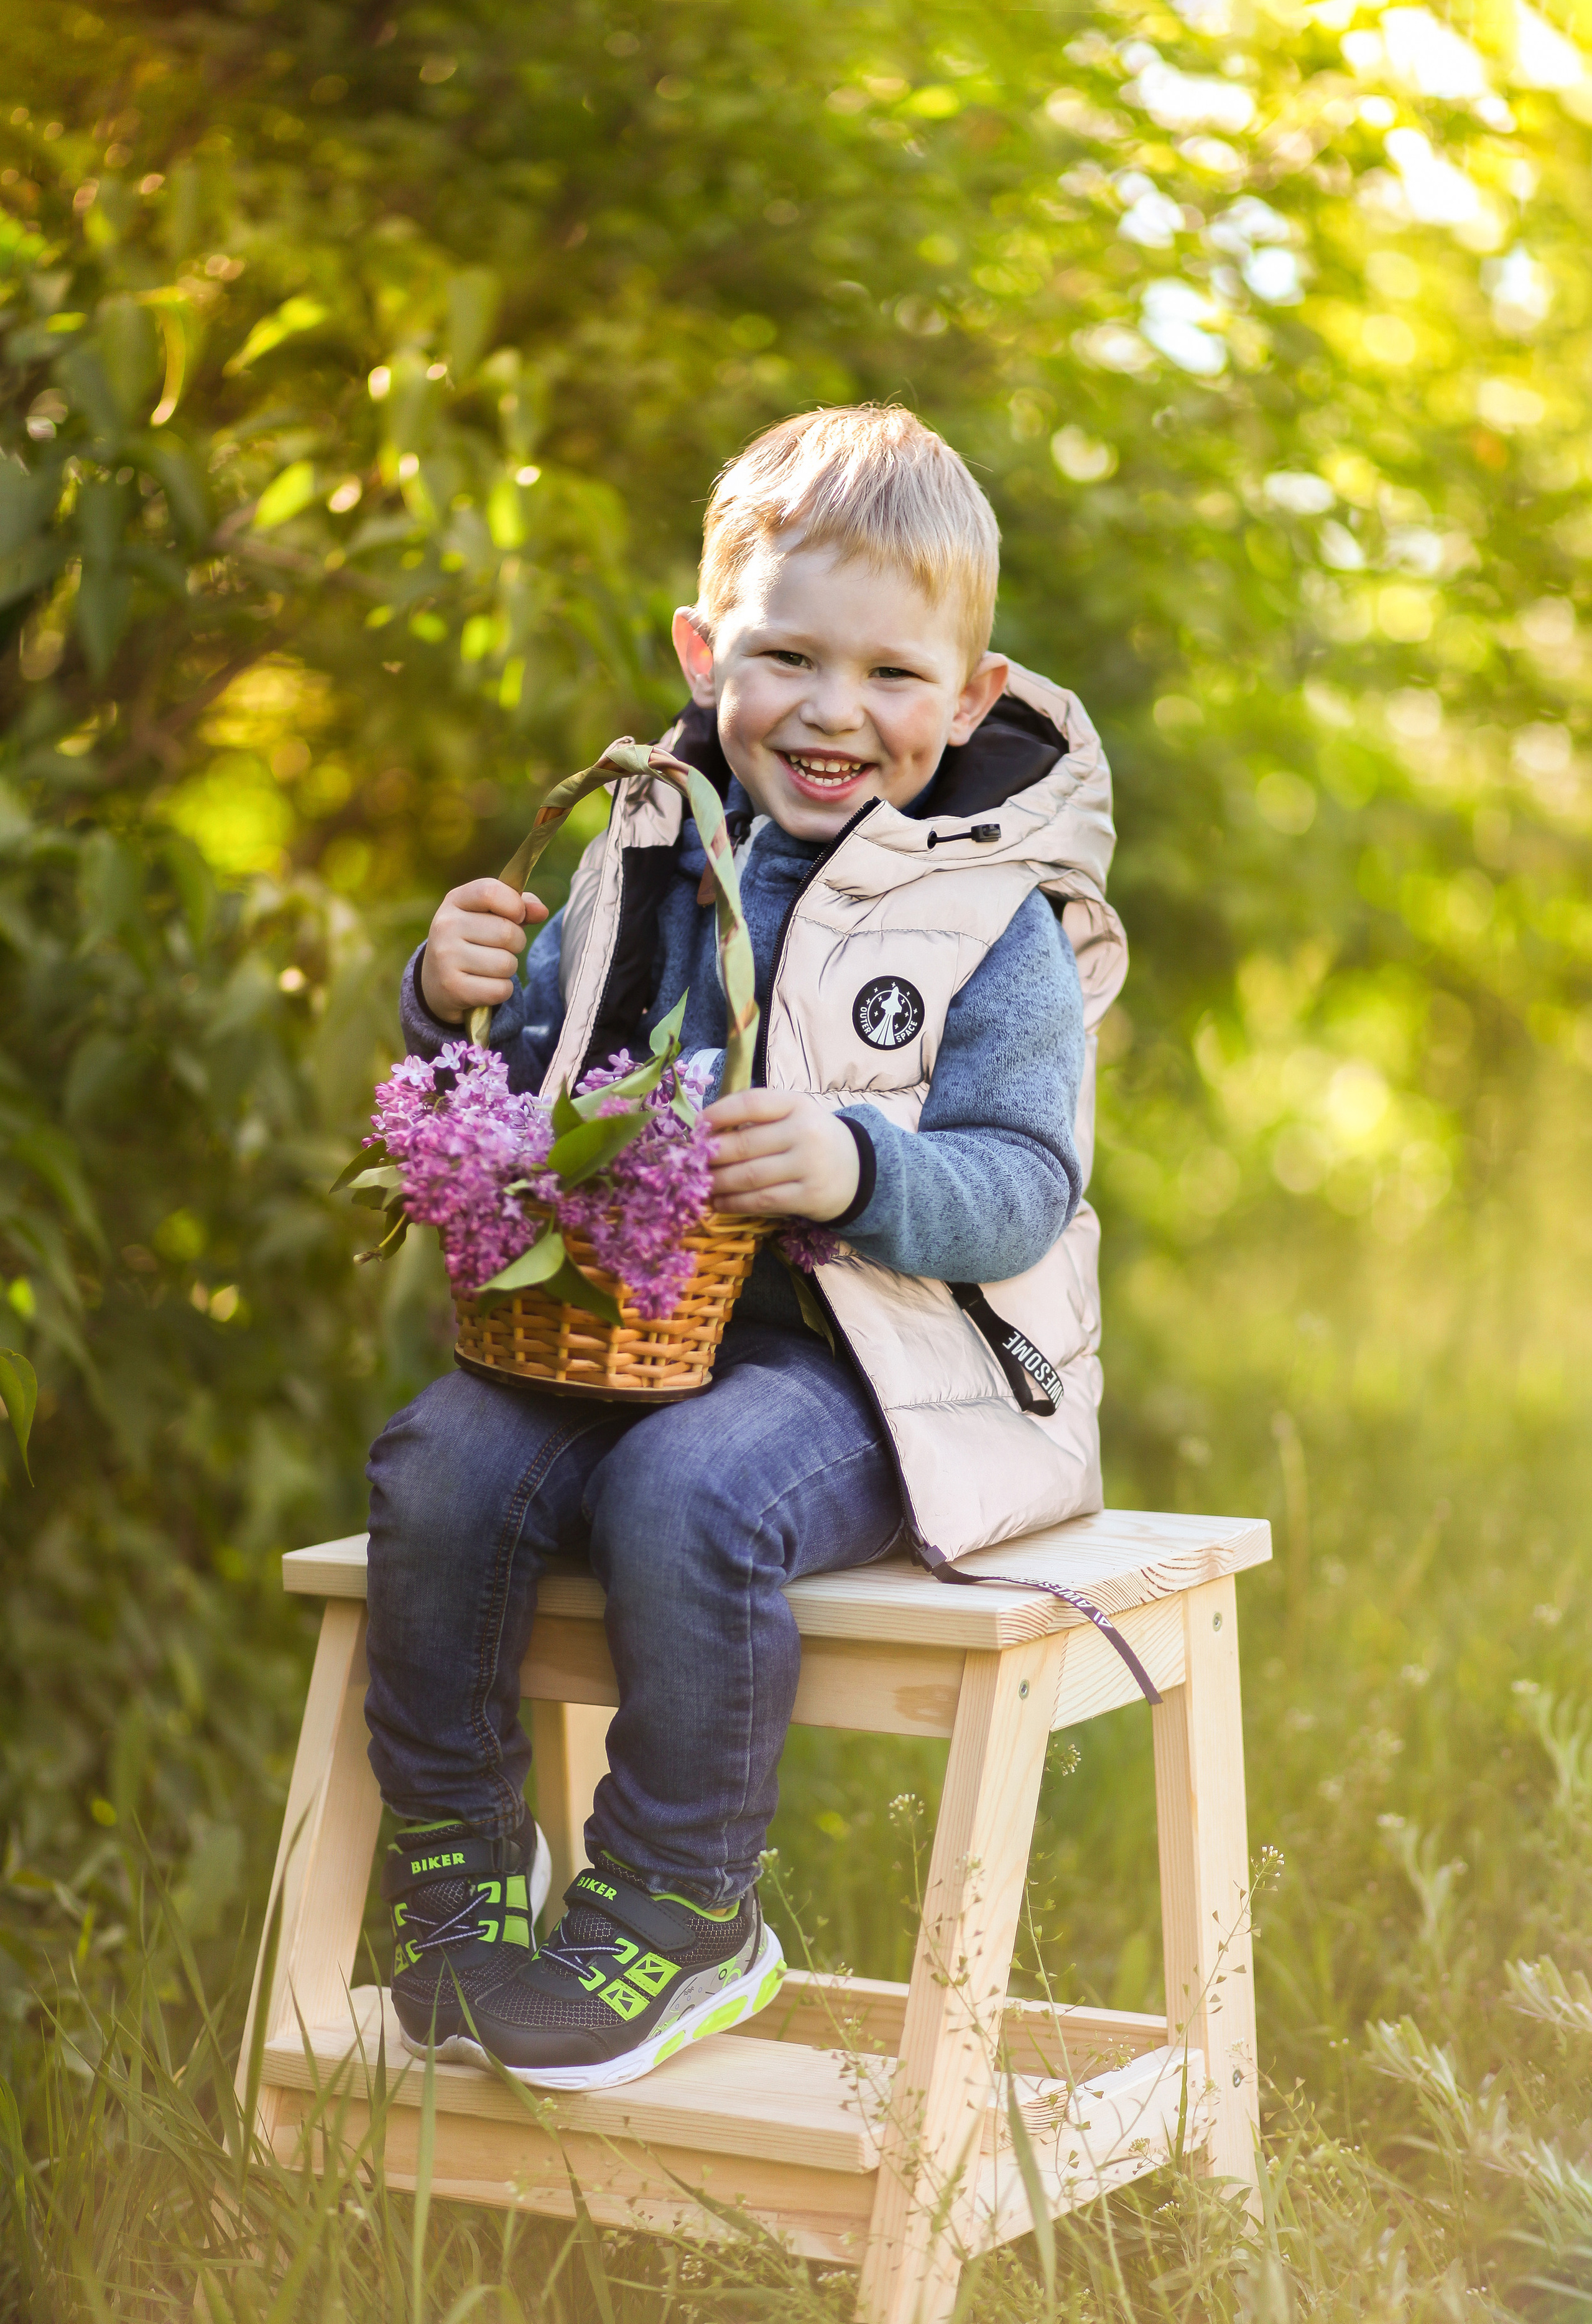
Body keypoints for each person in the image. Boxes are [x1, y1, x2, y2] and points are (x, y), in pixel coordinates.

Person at [364, 404, 1126, 2093]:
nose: (835, 712)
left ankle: (684, 1906)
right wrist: (451, 997)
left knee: (691, 1491)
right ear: (710, 654)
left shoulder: (997, 914)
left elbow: (1025, 1188)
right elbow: (525, 1085)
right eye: (789, 656)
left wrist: (857, 1165)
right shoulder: (638, 850)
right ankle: (462, 1870)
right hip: (631, 1333)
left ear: (973, 694)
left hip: (892, 1374)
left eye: (894, 675)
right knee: (438, 1459)